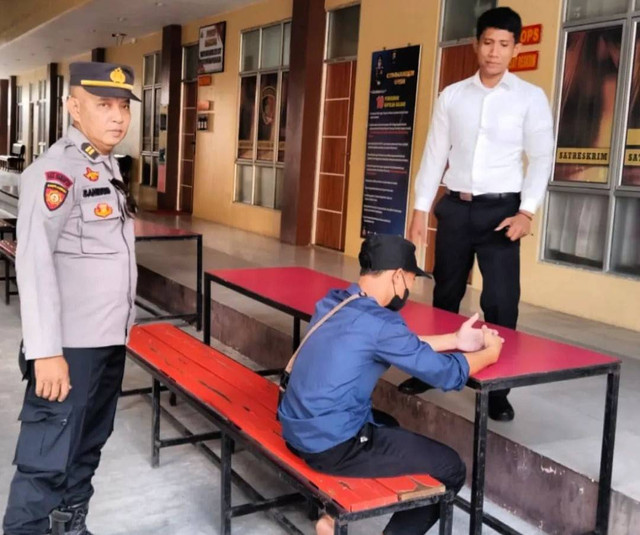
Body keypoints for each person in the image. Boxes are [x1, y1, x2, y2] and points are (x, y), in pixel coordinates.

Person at [278, 234, 504, 535]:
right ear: (398, 276)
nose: (410, 289)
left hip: (294, 430)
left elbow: (394, 344)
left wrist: (454, 340)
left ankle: (333, 514)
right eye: (410, 280)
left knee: (388, 423)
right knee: (451, 468)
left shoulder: (336, 301)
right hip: (330, 445)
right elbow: (448, 374)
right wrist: (490, 353)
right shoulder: (382, 322)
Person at [3, 62, 139, 535]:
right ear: (73, 108)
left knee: (85, 448)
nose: (118, 117)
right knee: (46, 459)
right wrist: (45, 352)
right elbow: (34, 262)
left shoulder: (107, 166)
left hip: (107, 342)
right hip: (68, 348)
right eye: (104, 105)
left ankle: (69, 526)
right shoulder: (55, 170)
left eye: (123, 106)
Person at [399, 7, 554, 422]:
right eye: (488, 42)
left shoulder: (529, 98)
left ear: (516, 48)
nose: (494, 52)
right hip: (456, 208)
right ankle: (433, 369)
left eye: (504, 44)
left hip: (504, 212)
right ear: (475, 44)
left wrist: (527, 212)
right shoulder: (452, 96)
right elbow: (434, 156)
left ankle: (498, 390)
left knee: (501, 303)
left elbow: (541, 158)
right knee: (445, 294)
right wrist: (418, 212)